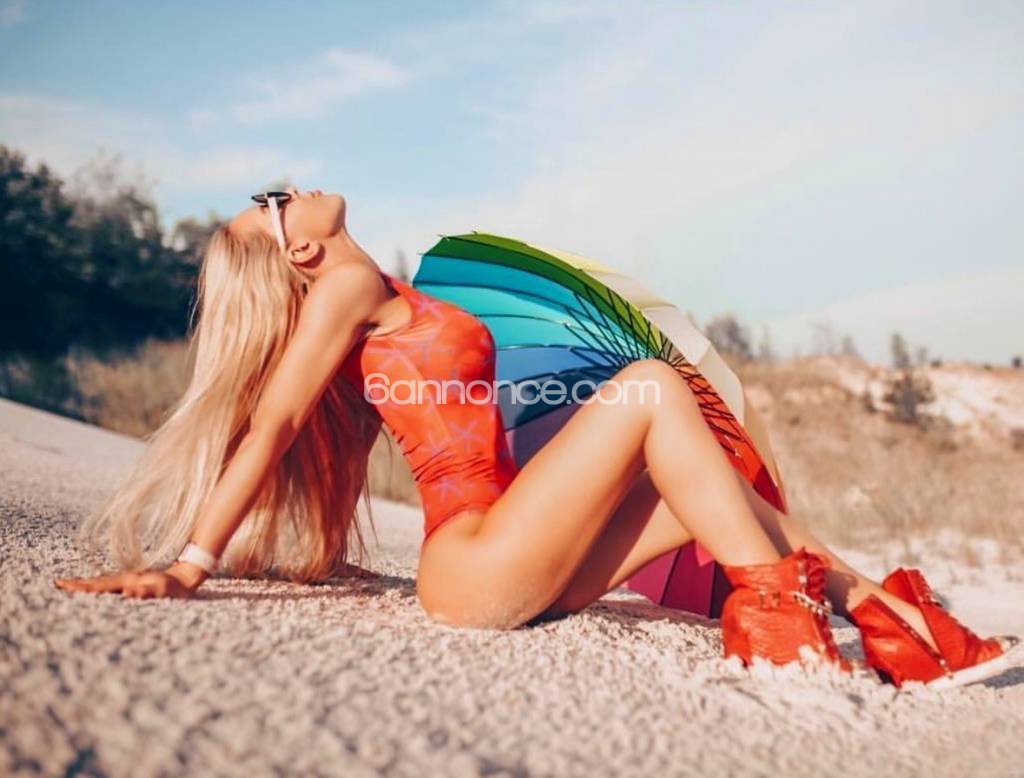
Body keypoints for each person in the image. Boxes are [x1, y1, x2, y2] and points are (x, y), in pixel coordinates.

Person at [54, 186, 1019, 690]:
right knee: (651, 386)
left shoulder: (392, 297)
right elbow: (274, 422)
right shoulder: (345, 289)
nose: (288, 191)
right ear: (299, 249)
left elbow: (346, 432)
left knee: (716, 488)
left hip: (513, 550)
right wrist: (189, 566)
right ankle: (783, 631)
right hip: (473, 564)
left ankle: (896, 626)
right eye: (272, 203)